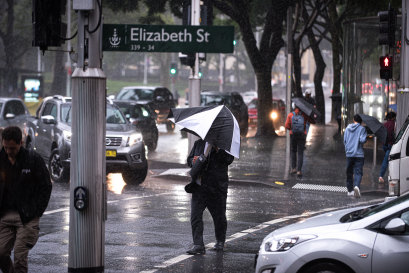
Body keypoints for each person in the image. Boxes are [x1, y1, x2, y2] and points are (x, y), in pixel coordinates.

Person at [0, 126, 52, 273]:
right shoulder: (1, 159)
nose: (9, 152)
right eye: (6, 148)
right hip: (5, 215)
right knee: (1, 253)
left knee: (19, 257)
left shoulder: (33, 159)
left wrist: (36, 211)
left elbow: (46, 186)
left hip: (27, 216)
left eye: (13, 148)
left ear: (20, 143)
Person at [186, 139, 234, 255]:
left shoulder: (224, 144)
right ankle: (198, 245)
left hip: (216, 188)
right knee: (195, 216)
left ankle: (220, 241)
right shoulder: (199, 143)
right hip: (199, 186)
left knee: (219, 217)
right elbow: (189, 159)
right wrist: (194, 160)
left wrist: (219, 150)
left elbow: (229, 160)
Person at [285, 106, 315, 177]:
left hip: (293, 135)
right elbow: (313, 121)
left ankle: (293, 168)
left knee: (293, 151)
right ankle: (299, 171)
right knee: (300, 153)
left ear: (295, 107)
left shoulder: (290, 115)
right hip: (302, 135)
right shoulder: (304, 115)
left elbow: (287, 126)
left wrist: (292, 128)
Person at [343, 114, 367, 198]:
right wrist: (365, 136)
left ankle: (350, 190)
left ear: (353, 120)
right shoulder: (362, 129)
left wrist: (347, 150)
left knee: (349, 172)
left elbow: (345, 141)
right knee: (358, 172)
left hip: (349, 154)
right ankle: (356, 186)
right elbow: (362, 140)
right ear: (361, 121)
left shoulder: (347, 128)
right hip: (359, 154)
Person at [379, 112, 396, 183]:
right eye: (395, 117)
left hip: (384, 145)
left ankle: (388, 175)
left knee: (388, 159)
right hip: (390, 144)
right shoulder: (394, 124)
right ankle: (381, 176)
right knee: (387, 161)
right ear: (393, 118)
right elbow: (392, 134)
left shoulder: (384, 124)